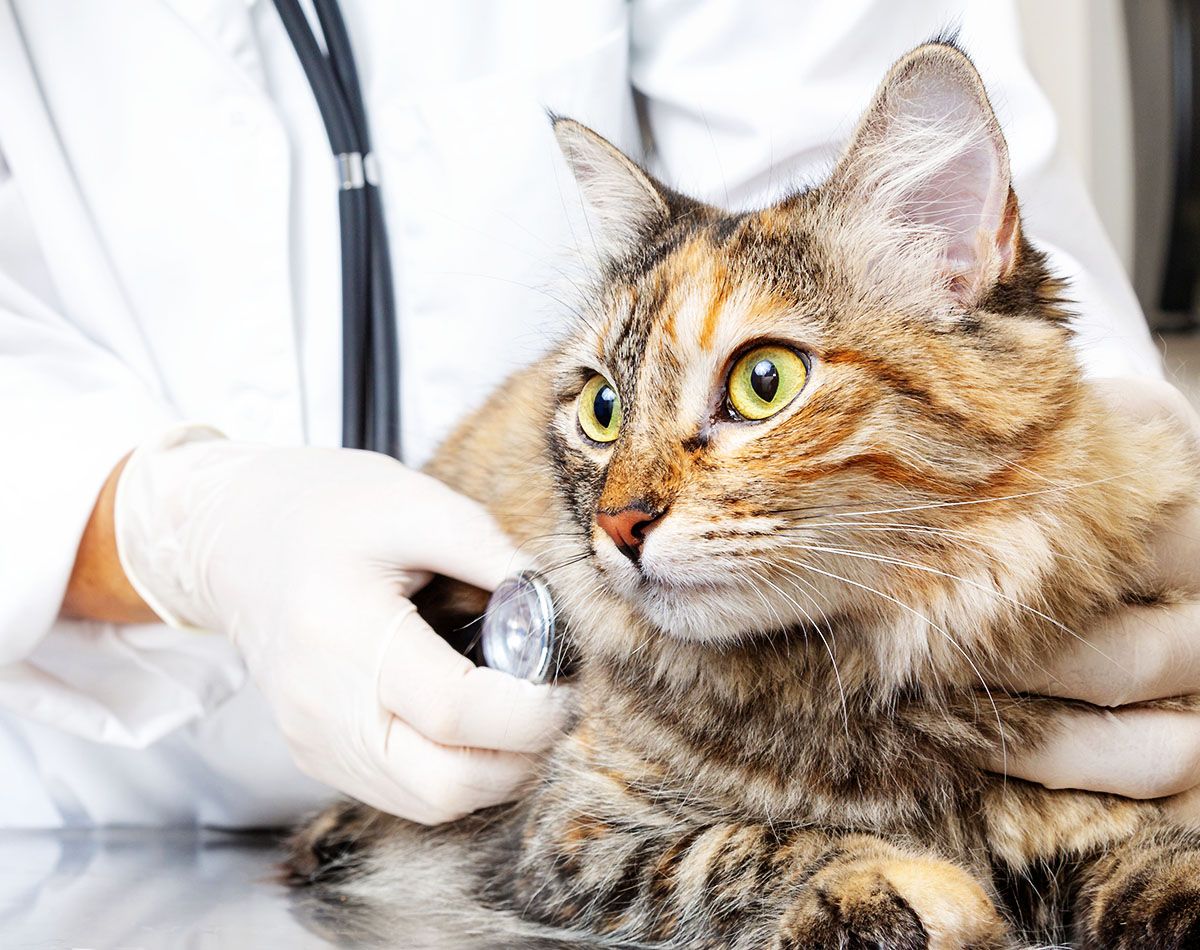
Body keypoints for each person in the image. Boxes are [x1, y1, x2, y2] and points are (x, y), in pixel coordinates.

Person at [1, 0, 1197, 830]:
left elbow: (856, 184)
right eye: (609, 410)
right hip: (98, 809)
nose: (627, 498)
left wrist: (1079, 502)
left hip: (797, 697)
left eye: (755, 387)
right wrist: (185, 530)